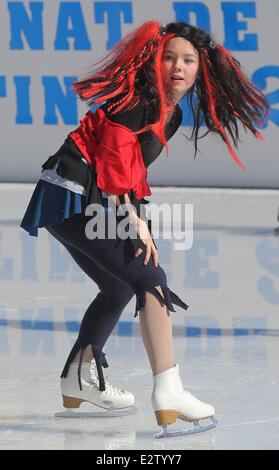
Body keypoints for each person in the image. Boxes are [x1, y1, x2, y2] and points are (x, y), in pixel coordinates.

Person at [20, 21, 269, 436]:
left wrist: (133, 213)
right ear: (155, 60)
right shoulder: (142, 99)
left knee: (120, 285)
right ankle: (169, 390)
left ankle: (80, 377)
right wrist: (129, 216)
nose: (177, 66)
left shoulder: (170, 114)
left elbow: (132, 170)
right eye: (169, 57)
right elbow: (114, 150)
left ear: (200, 69)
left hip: (68, 195)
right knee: (150, 278)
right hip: (71, 192)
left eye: (188, 60)